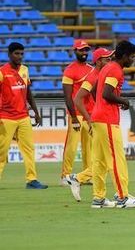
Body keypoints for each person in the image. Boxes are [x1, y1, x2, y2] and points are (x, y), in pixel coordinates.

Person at [90, 40, 135, 208]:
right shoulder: (116, 70)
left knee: (99, 160)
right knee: (116, 158)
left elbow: (94, 90)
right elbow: (107, 94)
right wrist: (123, 101)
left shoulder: (107, 67)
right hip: (107, 119)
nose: (133, 60)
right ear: (124, 56)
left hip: (98, 118)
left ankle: (98, 198)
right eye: (132, 57)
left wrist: (101, 106)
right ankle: (123, 198)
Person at [64, 47, 114, 202]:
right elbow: (77, 99)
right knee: (106, 157)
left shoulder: (100, 74)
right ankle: (117, 194)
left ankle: (82, 181)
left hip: (98, 119)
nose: (110, 61)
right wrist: (89, 119)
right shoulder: (93, 77)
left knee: (101, 158)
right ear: (98, 61)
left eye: (111, 57)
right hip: (94, 121)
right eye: (107, 58)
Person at [0, 42, 47, 189]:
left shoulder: (25, 70)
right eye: (16, 53)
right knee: (2, 150)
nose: (19, 56)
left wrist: (36, 112)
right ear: (9, 54)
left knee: (29, 149)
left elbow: (28, 93)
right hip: (6, 117)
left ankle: (31, 180)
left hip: (23, 117)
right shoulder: (2, 72)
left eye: (21, 53)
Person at [60, 39, 94, 185]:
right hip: (76, 115)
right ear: (75, 51)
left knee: (89, 147)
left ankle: (86, 176)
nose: (84, 53)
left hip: (90, 114)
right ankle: (65, 176)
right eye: (81, 50)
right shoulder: (70, 70)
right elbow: (68, 96)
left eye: (86, 50)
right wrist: (73, 117)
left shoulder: (92, 69)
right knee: (72, 146)